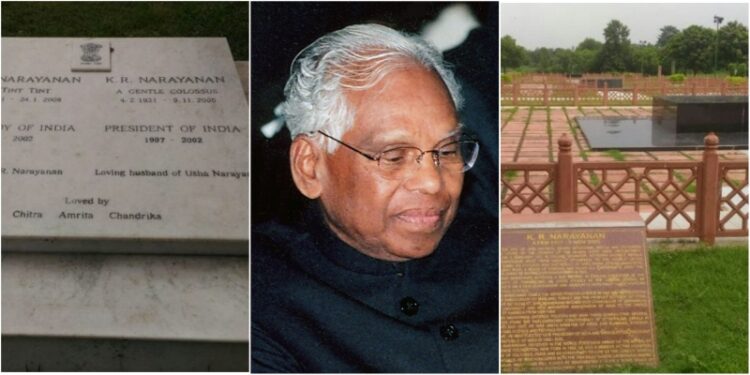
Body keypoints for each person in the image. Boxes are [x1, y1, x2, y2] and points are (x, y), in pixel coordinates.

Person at [252, 24, 498, 373]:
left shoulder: (507, 252)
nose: (432, 182)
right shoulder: (262, 302)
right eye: (394, 156)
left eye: (447, 150)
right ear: (310, 167)